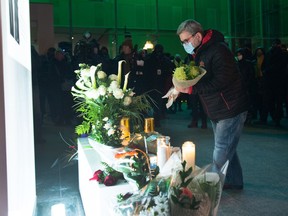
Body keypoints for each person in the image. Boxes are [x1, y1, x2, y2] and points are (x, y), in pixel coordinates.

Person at [175, 19, 250, 189]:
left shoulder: (219, 50)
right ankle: (234, 182)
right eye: (182, 42)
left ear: (198, 35)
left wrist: (193, 89)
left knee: (221, 150)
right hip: (216, 108)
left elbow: (222, 80)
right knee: (227, 147)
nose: (184, 44)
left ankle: (212, 189)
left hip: (230, 107)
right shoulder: (199, 52)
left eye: (186, 40)